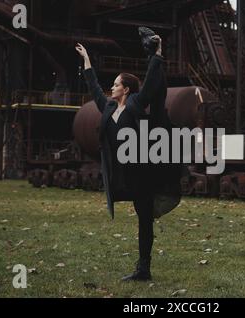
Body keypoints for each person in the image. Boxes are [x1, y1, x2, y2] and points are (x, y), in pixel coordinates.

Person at [75, 34, 181, 281]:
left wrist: (157, 53)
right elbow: (95, 89)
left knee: (144, 220)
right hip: (121, 174)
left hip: (141, 171)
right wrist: (87, 60)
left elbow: (152, 83)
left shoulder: (135, 104)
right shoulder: (109, 107)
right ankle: (143, 268)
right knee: (141, 215)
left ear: (127, 89)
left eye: (116, 84)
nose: (112, 87)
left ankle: (143, 269)